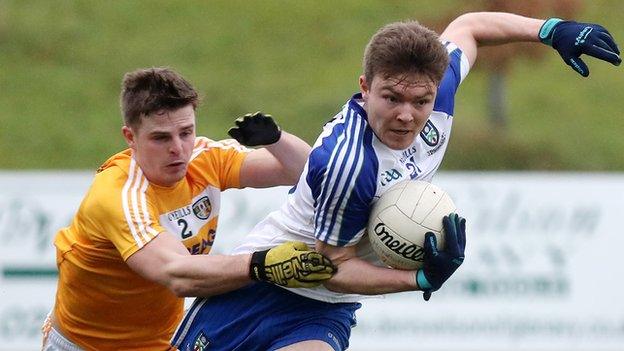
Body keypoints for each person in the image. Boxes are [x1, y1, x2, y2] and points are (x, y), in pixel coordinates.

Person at [171, 12, 621, 351]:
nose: (406, 114)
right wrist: (419, 278)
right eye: (391, 98)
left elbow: (468, 26)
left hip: (320, 309)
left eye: (420, 101)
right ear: (365, 87)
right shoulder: (350, 165)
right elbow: (336, 268)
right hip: (259, 290)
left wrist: (548, 29)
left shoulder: (437, 92)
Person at [42, 67, 337, 351]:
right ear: (130, 137)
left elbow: (311, 175)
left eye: (186, 132)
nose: (178, 148)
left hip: (164, 341)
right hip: (87, 345)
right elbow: (179, 275)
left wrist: (277, 140)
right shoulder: (119, 195)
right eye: (161, 137)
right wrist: (263, 263)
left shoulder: (204, 157)